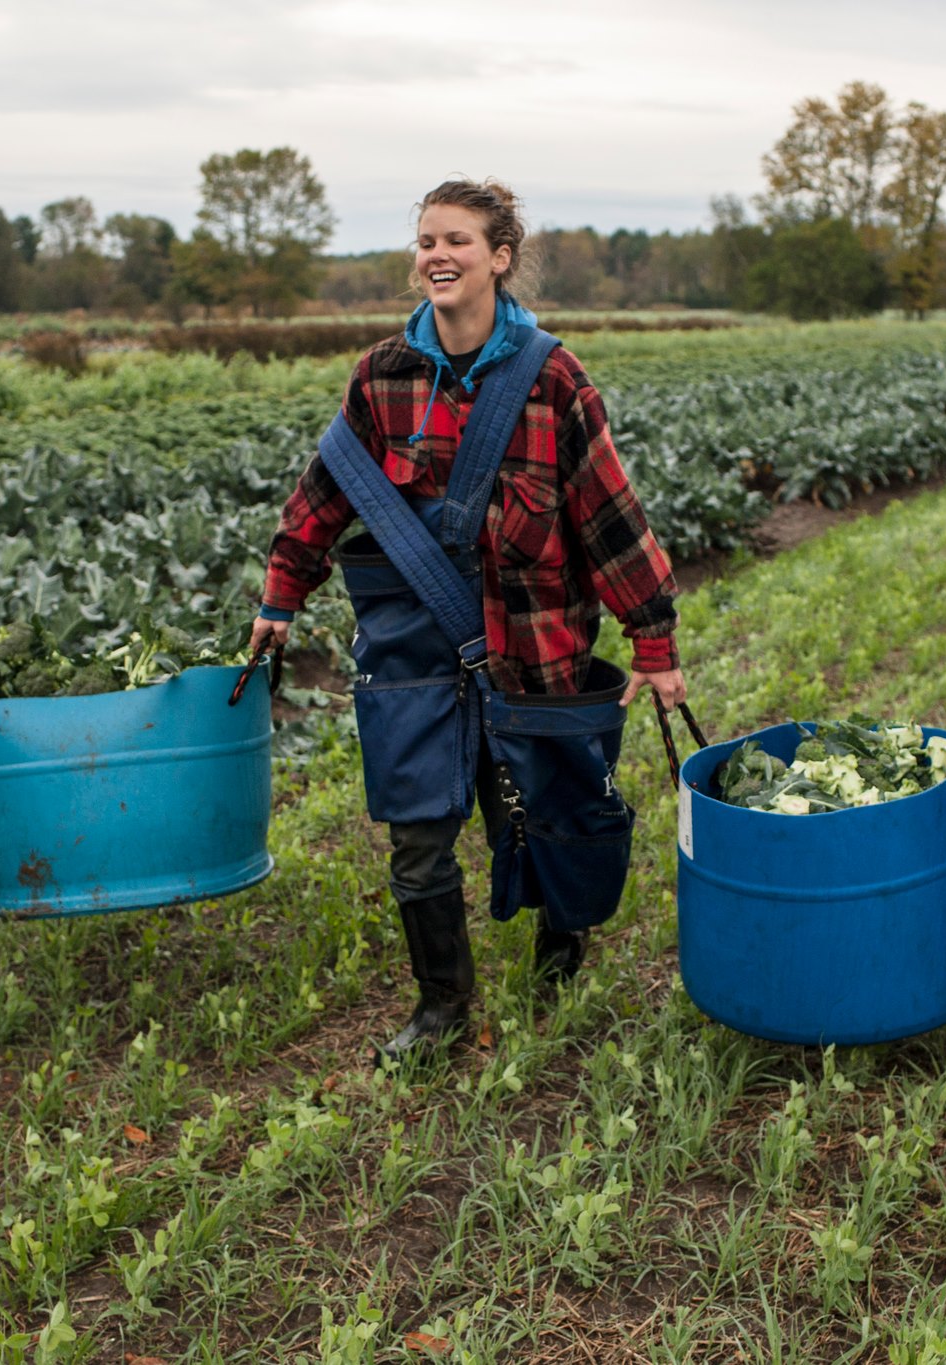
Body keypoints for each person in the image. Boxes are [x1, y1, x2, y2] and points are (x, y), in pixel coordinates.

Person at [252, 178, 686, 1064]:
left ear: (499, 258)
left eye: (456, 240)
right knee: (416, 834)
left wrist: (655, 641)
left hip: (536, 644)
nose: (435, 255)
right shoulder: (381, 378)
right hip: (414, 652)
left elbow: (609, 514)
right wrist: (280, 595)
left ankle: (561, 946)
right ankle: (442, 1005)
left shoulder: (553, 378)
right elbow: (321, 497)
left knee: (542, 811)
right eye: (424, 241)